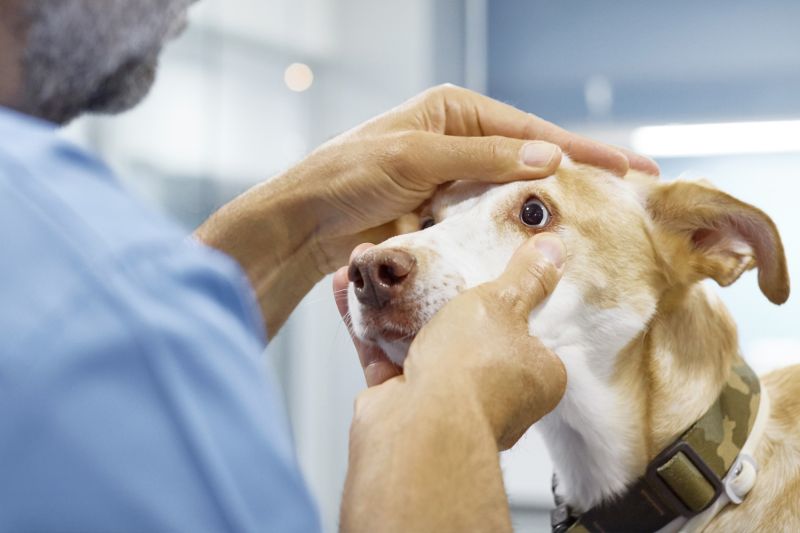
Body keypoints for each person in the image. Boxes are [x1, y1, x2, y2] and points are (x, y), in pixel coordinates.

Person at [0, 1, 658, 532]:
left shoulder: (78, 279)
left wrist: (306, 226)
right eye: (430, 222)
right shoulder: (104, 294)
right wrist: (443, 415)